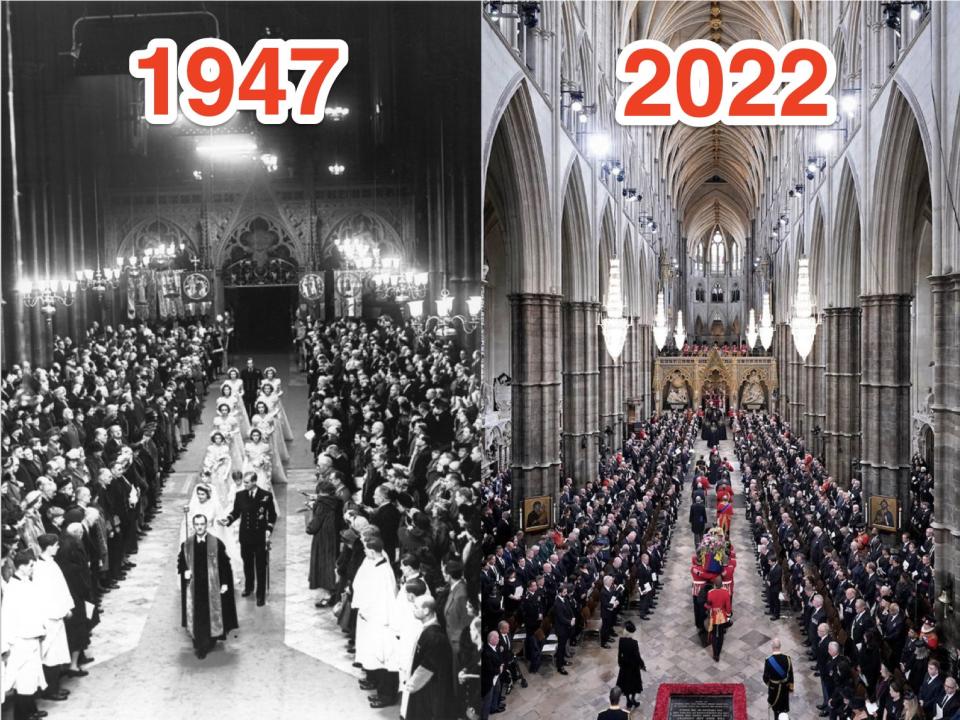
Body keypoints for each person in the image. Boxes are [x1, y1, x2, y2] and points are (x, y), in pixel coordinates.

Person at [177, 514, 238, 659]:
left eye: (202, 524)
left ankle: (208, 642)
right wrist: (184, 570)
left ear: (206, 525)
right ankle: (200, 644)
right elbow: (181, 561)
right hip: (195, 589)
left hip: (212, 587)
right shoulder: (187, 545)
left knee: (209, 615)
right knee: (197, 616)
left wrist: (224, 583)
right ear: (193, 526)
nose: (199, 527)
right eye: (196, 524)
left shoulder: (216, 543)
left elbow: (224, 565)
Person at [2, 550, 48, 720]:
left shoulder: (26, 583)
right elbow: (8, 618)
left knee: (32, 677)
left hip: (32, 637)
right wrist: (8, 644)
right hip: (21, 641)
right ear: (20, 567)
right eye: (30, 566)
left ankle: (31, 709)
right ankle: (22, 716)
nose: (32, 569)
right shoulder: (13, 589)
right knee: (23, 681)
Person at [221, 472, 277, 607]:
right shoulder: (240, 495)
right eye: (244, 482)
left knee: (260, 566)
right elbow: (235, 512)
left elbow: (272, 515)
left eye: (247, 482)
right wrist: (227, 520)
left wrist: (268, 530)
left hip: (259, 536)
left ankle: (260, 595)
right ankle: (249, 587)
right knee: (247, 564)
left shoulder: (265, 496)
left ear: (254, 482)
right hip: (245, 536)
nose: (244, 484)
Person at [402, 595, 455, 720]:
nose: (413, 610)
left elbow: (427, 667)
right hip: (426, 686)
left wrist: (411, 684)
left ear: (426, 611)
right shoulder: (429, 631)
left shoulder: (434, 637)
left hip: (429, 689)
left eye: (416, 607)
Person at [33, 533, 72, 702]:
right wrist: (63, 610)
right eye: (56, 545)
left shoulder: (49, 563)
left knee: (56, 654)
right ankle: (50, 690)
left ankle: (54, 687)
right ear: (48, 547)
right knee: (51, 656)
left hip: (57, 616)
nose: (58, 547)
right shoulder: (41, 568)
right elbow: (48, 596)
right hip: (51, 618)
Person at [307, 479, 343, 608]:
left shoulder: (321, 504)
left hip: (322, 539)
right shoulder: (337, 502)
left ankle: (324, 596)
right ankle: (333, 592)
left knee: (321, 566)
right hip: (334, 537)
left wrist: (309, 527)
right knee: (332, 564)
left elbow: (314, 525)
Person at [615, 620, 646, 709]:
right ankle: (633, 699)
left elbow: (619, 654)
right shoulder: (634, 643)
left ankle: (628, 700)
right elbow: (637, 657)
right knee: (634, 685)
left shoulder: (621, 641)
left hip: (624, 667)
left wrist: (620, 663)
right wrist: (642, 665)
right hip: (633, 668)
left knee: (626, 685)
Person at [260, 367, 294, 442]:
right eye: (268, 373)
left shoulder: (277, 381)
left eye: (271, 373)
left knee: (278, 417)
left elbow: (279, 391)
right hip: (266, 401)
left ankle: (279, 434)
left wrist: (277, 396)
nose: (270, 375)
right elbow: (262, 391)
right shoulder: (263, 381)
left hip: (275, 401)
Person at [763, 637, 794, 716]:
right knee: (783, 709)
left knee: (776, 710)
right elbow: (790, 675)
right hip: (784, 687)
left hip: (774, 688)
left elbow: (765, 677)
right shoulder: (787, 659)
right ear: (780, 646)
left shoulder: (769, 660)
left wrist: (770, 684)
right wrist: (790, 687)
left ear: (772, 647)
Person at [200, 430, 234, 500]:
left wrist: (226, 471)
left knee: (223, 484)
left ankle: (225, 499)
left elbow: (228, 460)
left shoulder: (225, 448)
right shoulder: (210, 448)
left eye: (219, 438)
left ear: (222, 439)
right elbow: (208, 459)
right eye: (216, 438)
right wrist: (210, 466)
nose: (218, 440)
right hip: (214, 469)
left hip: (223, 469)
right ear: (213, 439)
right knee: (215, 484)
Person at [705, 576, 732, 661]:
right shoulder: (726, 593)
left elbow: (709, 606)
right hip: (722, 617)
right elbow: (728, 607)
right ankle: (718, 653)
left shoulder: (710, 593)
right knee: (720, 636)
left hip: (713, 616)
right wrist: (728, 616)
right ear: (721, 584)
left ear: (714, 584)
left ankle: (715, 653)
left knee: (713, 635)